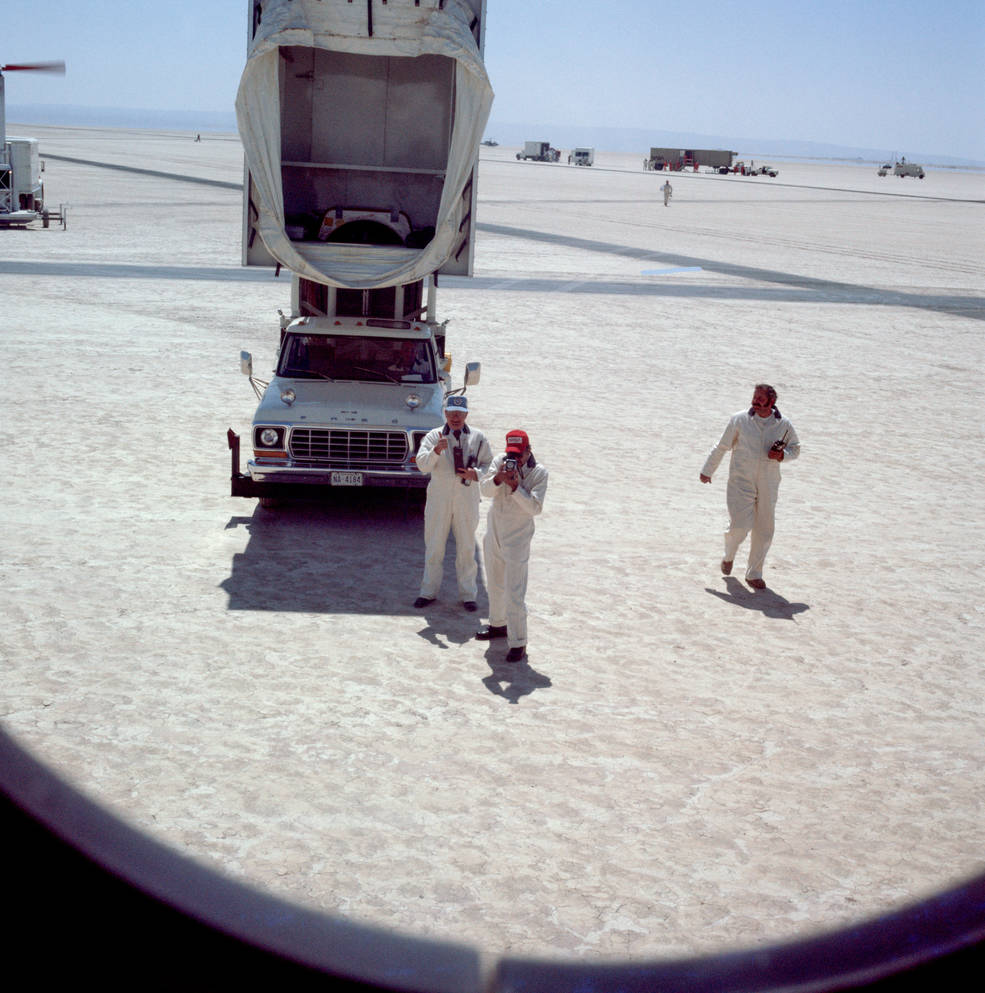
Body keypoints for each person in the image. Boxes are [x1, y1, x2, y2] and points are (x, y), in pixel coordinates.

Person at [700, 384, 800, 589]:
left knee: (764, 530)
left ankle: (754, 573)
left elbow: (795, 449)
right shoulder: (739, 419)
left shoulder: (784, 424)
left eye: (760, 399)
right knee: (740, 525)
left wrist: (782, 455)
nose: (755, 402)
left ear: (772, 402)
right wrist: (707, 470)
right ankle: (729, 555)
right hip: (740, 481)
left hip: (769, 483)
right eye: (754, 397)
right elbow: (722, 446)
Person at [475, 429, 549, 662]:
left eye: (519, 454)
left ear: (529, 451)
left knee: (515, 592)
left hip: (518, 538)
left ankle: (518, 642)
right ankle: (498, 625)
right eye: (511, 454)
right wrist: (498, 478)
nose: (514, 459)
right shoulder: (500, 461)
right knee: (495, 584)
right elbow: (485, 491)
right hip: (494, 532)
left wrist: (517, 488)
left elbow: (535, 509)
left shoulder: (538, 473)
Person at [414, 395, 492, 611]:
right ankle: (428, 592)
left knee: (467, 547)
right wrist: (436, 451)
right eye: (451, 413)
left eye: (460, 413)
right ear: (445, 414)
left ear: (466, 414)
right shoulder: (433, 436)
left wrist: (475, 473)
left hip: (466, 499)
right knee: (434, 547)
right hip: (439, 499)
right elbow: (422, 466)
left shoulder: (478, 438)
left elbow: (489, 466)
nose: (455, 417)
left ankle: (469, 595)